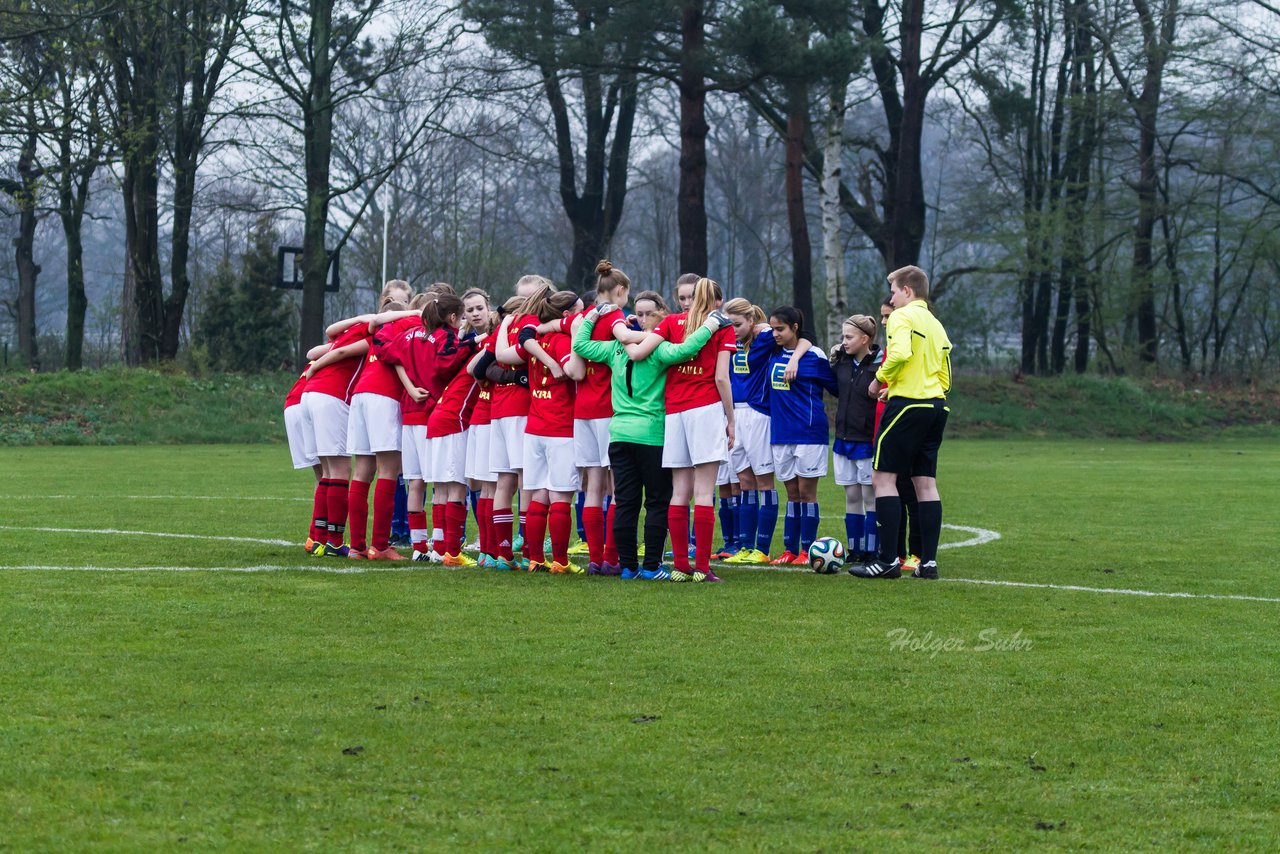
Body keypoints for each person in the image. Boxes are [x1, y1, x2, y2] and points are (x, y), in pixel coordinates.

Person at [573, 293, 731, 580]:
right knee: (657, 501)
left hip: (619, 433)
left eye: (647, 314)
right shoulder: (659, 350)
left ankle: (627, 567)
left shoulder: (613, 349)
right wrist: (709, 327)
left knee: (625, 500)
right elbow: (685, 351)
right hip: (652, 434)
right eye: (640, 314)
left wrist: (592, 316)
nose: (643, 319)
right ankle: (651, 568)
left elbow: (581, 345)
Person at [625, 276, 737, 582]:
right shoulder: (722, 326)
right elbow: (722, 378)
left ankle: (681, 566)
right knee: (703, 492)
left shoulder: (672, 322)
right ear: (716, 300)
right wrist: (731, 418)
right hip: (705, 409)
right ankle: (702, 567)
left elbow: (639, 350)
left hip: (675, 412)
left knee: (679, 492)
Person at [851, 265, 952, 580]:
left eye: (893, 291)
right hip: (935, 406)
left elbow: (899, 354)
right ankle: (928, 563)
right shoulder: (936, 324)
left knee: (882, 478)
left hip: (908, 406)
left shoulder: (901, 317)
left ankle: (887, 560)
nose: (891, 300)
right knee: (925, 483)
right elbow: (944, 375)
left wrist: (880, 380)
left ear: (907, 290)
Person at [720, 299, 806, 564]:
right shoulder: (726, 342)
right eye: (729, 324)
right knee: (743, 482)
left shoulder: (766, 338)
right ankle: (744, 546)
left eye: (738, 324)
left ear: (750, 321)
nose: (733, 329)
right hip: (734, 414)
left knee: (763, 482)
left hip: (758, 415)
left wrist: (762, 328)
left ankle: (763, 548)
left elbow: (805, 337)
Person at [760, 306, 838, 566]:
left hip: (809, 432)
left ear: (794, 327)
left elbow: (836, 387)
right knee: (791, 493)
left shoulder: (814, 356)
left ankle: (807, 551)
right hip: (781, 433)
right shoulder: (771, 352)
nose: (775, 334)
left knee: (807, 492)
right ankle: (790, 550)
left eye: (780, 329)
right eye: (772, 328)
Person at [520, 287, 585, 573]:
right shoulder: (560, 340)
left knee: (538, 495)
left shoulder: (537, 339)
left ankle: (534, 558)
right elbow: (574, 372)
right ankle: (560, 561)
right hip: (560, 426)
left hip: (535, 425)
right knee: (560, 495)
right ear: (568, 314)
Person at [831, 314, 883, 564]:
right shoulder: (841, 361)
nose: (844, 342)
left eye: (849, 337)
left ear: (865, 339)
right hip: (843, 439)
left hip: (866, 441)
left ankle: (873, 551)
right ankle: (856, 550)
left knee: (869, 497)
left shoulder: (880, 363)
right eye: (842, 336)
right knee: (852, 496)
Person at [283, 366, 321, 552]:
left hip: (293, 403)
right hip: (309, 403)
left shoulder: (329, 348)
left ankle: (314, 536)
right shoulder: (348, 344)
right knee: (333, 474)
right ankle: (320, 537)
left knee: (323, 476)